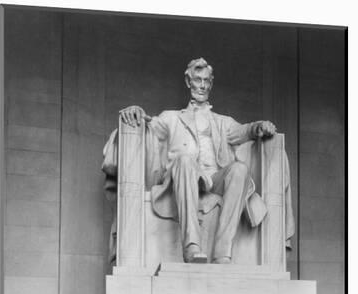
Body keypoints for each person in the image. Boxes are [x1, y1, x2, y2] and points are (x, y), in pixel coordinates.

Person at [112, 57, 294, 263]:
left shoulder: (222, 122)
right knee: (184, 160)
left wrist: (258, 126)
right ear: (188, 82)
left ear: (211, 83)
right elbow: (150, 126)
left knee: (240, 170)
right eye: (198, 80)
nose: (202, 86)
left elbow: (243, 131)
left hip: (215, 180)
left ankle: (222, 252)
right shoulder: (171, 118)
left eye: (207, 81)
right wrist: (137, 112)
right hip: (185, 178)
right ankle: (191, 246)